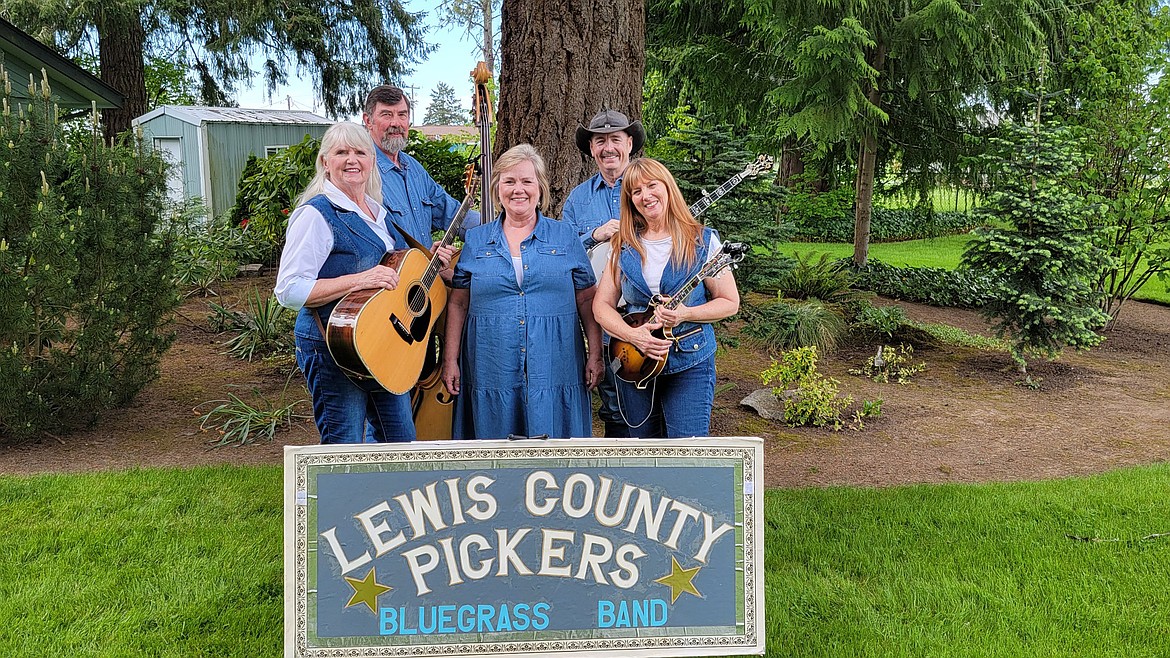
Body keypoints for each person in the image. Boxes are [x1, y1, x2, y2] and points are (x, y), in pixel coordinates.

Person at [441, 144, 605, 439]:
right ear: (498, 188)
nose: (519, 189)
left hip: (556, 362)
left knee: (554, 445)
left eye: (527, 181)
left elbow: (586, 297)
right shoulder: (477, 241)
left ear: (540, 188)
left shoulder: (565, 236)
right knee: (495, 445)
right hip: (490, 363)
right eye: (509, 181)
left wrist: (596, 353)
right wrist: (450, 359)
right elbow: (459, 303)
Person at [274, 122, 415, 443]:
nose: (352, 160)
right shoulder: (316, 214)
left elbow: (390, 274)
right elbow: (289, 290)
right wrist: (360, 280)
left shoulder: (377, 212)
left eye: (360, 153)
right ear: (326, 162)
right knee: (345, 444)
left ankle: (387, 494)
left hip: (379, 343)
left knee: (401, 440)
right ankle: (343, 495)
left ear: (371, 161)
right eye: (341, 152)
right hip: (332, 345)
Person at [592, 158, 740, 439]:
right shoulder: (623, 244)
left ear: (667, 187)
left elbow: (729, 301)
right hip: (633, 361)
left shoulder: (702, 241)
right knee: (641, 450)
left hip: (690, 359)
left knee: (687, 451)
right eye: (636, 191)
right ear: (630, 200)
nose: (645, 195)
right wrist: (632, 336)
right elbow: (601, 306)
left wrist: (685, 313)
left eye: (651, 185)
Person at [561, 109, 646, 438]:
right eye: (600, 141)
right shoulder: (578, 199)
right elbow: (562, 255)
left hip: (645, 313)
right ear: (592, 149)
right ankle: (616, 476)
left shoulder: (648, 188)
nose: (607, 147)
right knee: (612, 400)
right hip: (602, 318)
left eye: (615, 139)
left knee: (649, 393)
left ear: (628, 143)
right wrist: (593, 235)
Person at [362, 85, 480, 262]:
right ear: (368, 121)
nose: (396, 123)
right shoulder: (362, 172)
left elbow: (454, 214)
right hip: (395, 287)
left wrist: (502, 226)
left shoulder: (414, 169)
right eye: (387, 115)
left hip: (426, 281)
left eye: (402, 115)